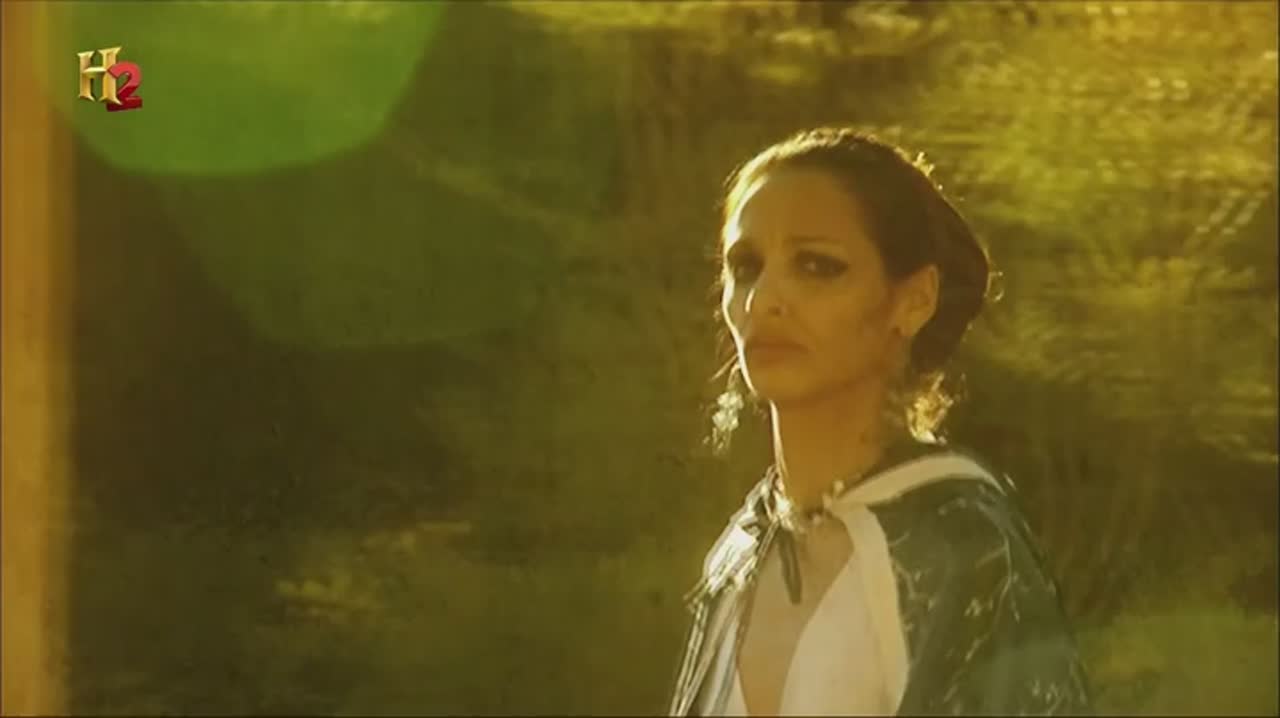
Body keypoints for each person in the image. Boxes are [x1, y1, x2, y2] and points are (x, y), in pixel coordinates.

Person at [667, 128, 1092, 716]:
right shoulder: (737, 556)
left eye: (817, 266)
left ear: (913, 300)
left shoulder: (965, 549)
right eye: (746, 266)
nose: (763, 300)